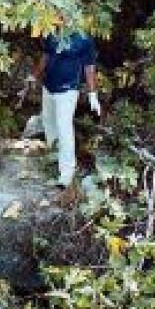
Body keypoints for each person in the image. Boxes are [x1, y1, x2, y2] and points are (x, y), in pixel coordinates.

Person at [25, 20, 102, 187]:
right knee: (49, 123)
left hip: (68, 90)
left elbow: (89, 68)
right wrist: (35, 75)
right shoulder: (52, 32)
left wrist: (92, 94)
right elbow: (46, 56)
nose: (61, 17)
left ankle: (67, 173)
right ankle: (54, 157)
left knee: (64, 127)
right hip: (49, 87)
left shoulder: (83, 39)